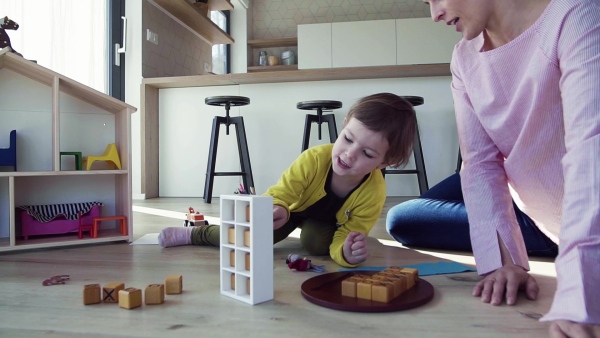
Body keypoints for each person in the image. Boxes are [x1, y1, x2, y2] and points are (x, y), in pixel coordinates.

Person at [387, 0, 600, 336]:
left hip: (581, 213)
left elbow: (591, 149)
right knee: (403, 218)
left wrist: (582, 293)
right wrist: (505, 261)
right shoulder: (464, 57)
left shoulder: (576, 13)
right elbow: (480, 164)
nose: (435, 14)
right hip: (530, 201)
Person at [159, 93, 417, 267]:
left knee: (315, 244)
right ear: (345, 124)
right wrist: (278, 207)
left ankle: (312, 234)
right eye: (348, 138)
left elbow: (351, 230)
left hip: (325, 224)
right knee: (249, 235)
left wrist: (346, 253)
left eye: (367, 154)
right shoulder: (315, 158)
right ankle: (196, 234)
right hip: (290, 210)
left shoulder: (374, 191)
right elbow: (282, 192)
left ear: (385, 163)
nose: (349, 155)